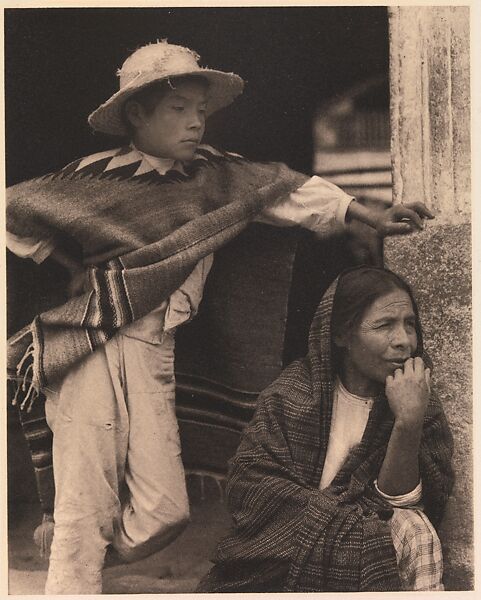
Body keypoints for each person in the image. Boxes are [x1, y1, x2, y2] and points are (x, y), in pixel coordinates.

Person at [7, 41, 434, 595]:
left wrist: (364, 211)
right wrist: (74, 269)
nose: (194, 122)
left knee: (165, 510)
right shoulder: (93, 176)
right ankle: (70, 573)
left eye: (200, 111)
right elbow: (14, 214)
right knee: (87, 494)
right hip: (91, 341)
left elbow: (288, 190)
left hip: (155, 347)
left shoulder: (216, 175)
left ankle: (62, 557)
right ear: (136, 113)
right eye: (178, 109)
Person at [198, 266, 453, 593]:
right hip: (283, 553)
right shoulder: (290, 396)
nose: (404, 341)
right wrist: (341, 523)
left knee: (417, 532)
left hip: (370, 540)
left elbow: (398, 504)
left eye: (410, 325)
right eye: (385, 325)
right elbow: (249, 488)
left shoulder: (419, 402)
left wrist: (408, 421)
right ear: (341, 334)